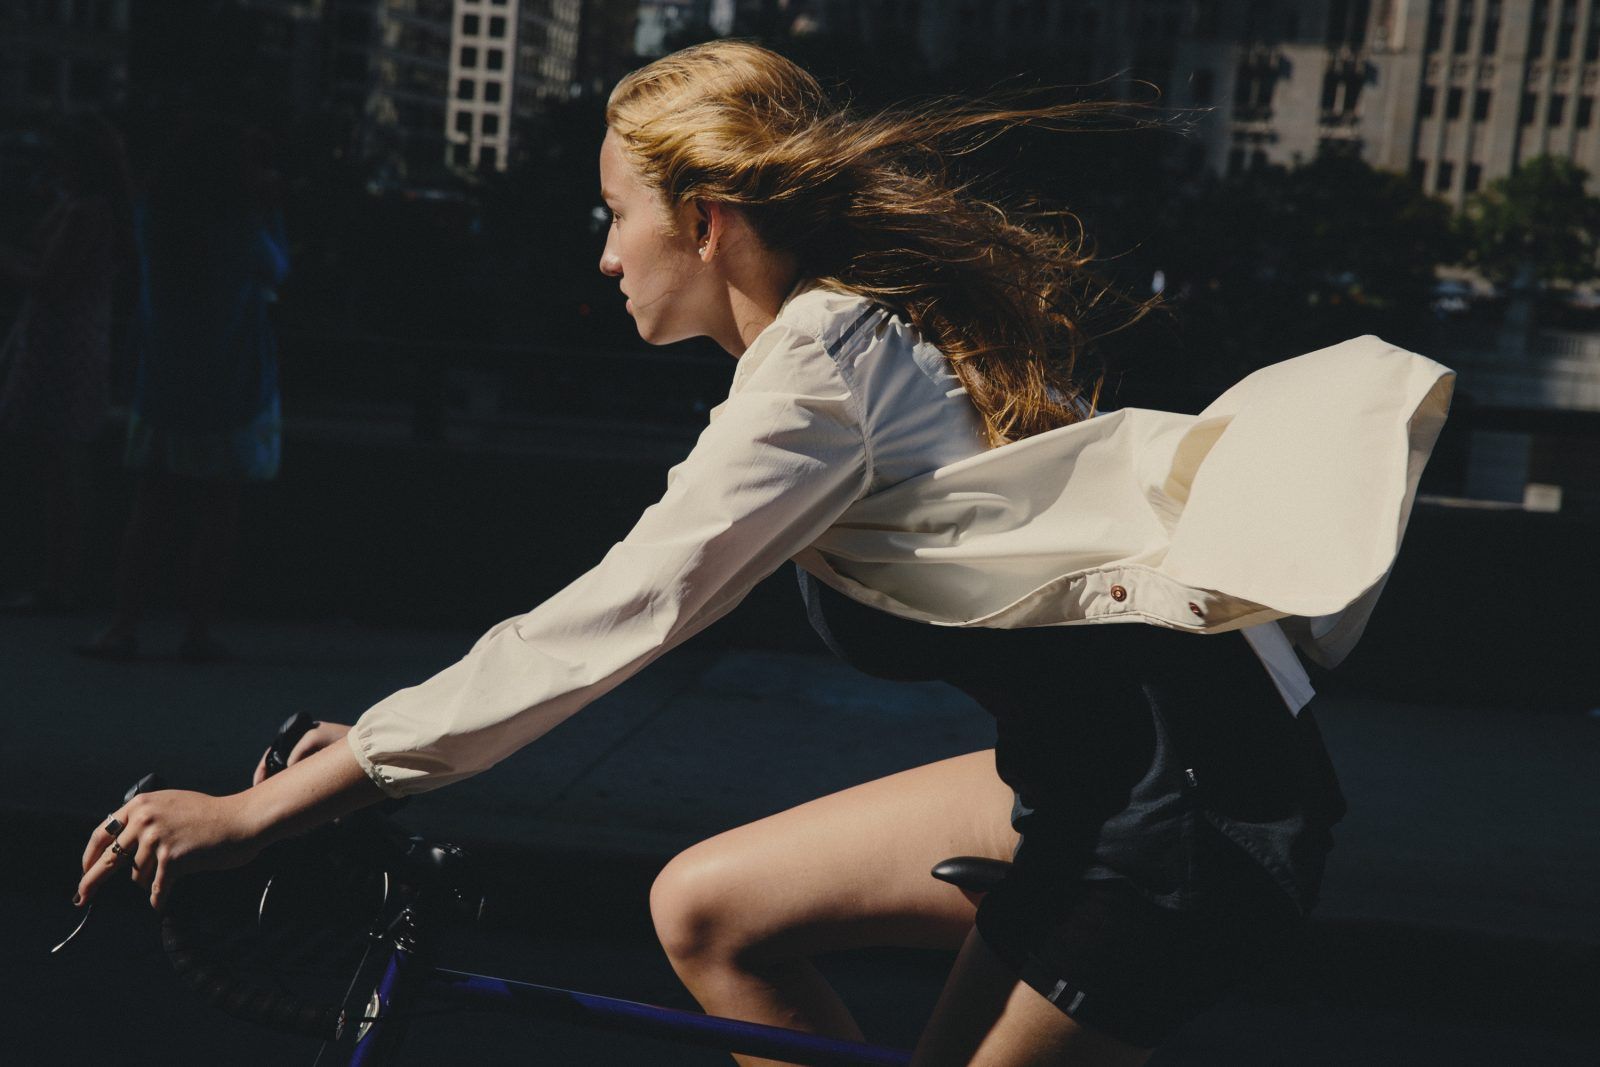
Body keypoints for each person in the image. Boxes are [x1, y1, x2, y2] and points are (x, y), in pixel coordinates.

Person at [75, 43, 1452, 1065]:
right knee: (710, 905)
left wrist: (269, 808)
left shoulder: (819, 371)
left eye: (616, 214)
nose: (606, 255)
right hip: (1098, 771)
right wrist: (358, 749)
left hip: (1189, 810)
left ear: (706, 219)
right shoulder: (852, 332)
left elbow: (622, 610)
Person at [75, 116, 288, 661]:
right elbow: (277, 268)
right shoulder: (240, 223)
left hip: (164, 382)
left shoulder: (159, 218)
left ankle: (123, 624)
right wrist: (270, 204)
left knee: (149, 509)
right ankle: (196, 631)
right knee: (218, 510)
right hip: (230, 386)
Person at [0, 115, 133, 612]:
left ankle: (61, 580)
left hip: (63, 346)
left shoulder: (88, 213)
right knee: (61, 463)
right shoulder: (86, 207)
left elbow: (51, 279)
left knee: (61, 466)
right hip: (70, 343)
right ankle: (61, 577)